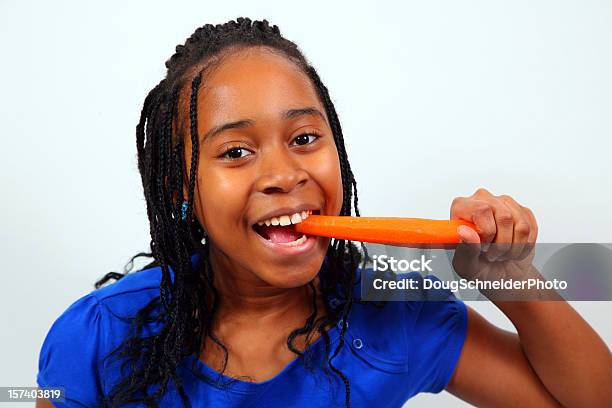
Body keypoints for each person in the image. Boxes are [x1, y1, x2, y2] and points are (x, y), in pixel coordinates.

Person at [36, 17, 611, 407]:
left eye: (306, 138)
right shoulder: (95, 336)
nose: (285, 175)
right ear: (179, 182)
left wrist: (510, 280)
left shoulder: (398, 319)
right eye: (236, 151)